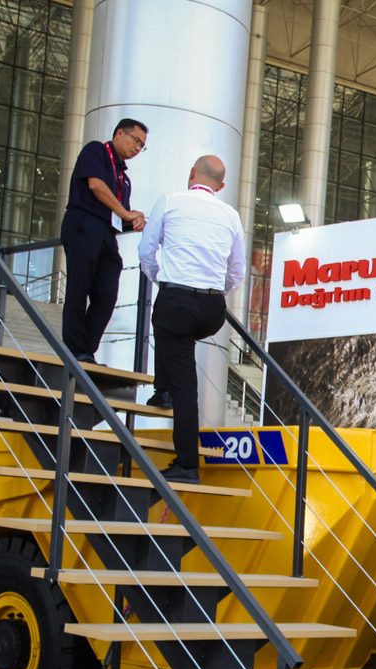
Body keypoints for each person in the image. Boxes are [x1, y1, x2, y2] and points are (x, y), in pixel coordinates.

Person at [136, 155, 246, 484]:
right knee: (176, 340)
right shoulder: (231, 215)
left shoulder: (171, 201)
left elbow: (146, 251)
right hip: (212, 310)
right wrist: (215, 292)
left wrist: (163, 281)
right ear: (221, 186)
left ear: (191, 174)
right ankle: (163, 389)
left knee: (181, 368)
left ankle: (186, 464)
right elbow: (237, 270)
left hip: (177, 301)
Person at [62, 118, 148, 364]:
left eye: (142, 146)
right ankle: (76, 349)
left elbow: (122, 216)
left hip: (108, 234)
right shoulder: (96, 150)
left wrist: (136, 221)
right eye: (136, 141)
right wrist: (125, 213)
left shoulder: (124, 178)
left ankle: (86, 350)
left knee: (107, 294)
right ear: (120, 133)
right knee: (79, 288)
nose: (138, 148)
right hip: (83, 222)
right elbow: (95, 185)